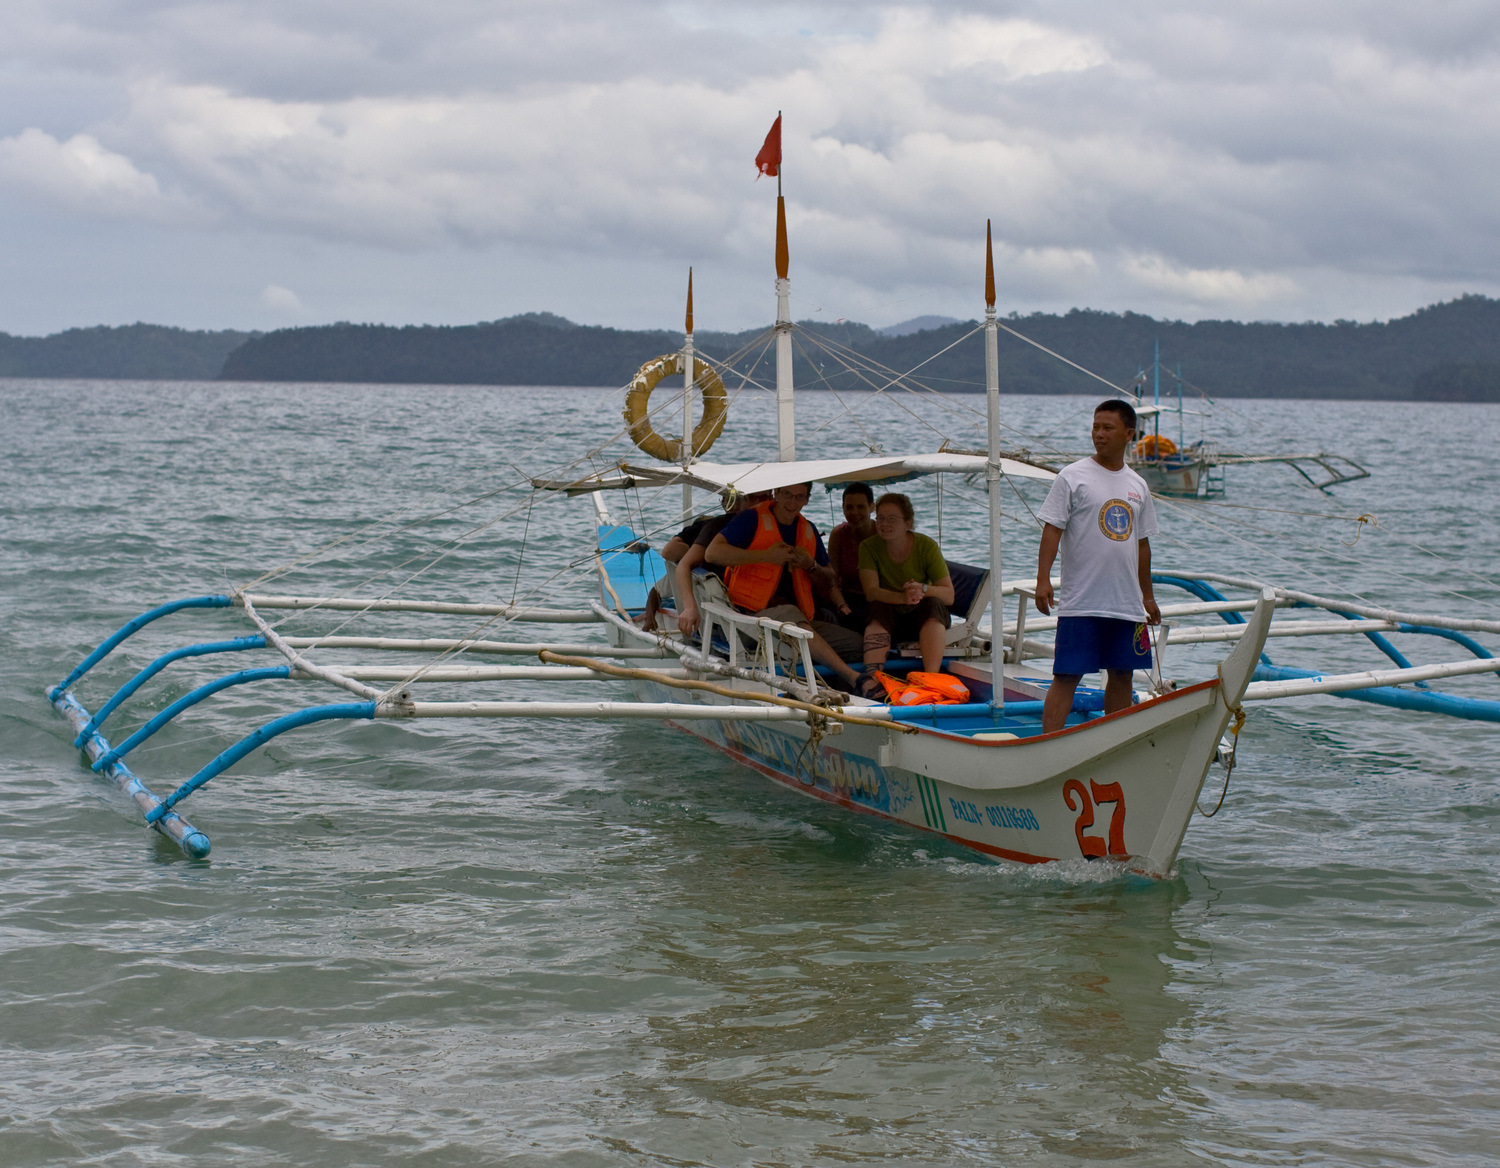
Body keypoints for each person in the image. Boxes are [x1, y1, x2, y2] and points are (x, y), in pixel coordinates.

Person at [1034, 398, 1162, 733]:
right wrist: (1043, 579)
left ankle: (1112, 739)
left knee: (1122, 673)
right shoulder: (1072, 477)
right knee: (1067, 674)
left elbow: (1142, 545)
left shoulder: (1138, 486)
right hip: (1082, 601)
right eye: (1095, 427)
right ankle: (1048, 743)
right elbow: (1052, 530)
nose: (1099, 434)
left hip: (1127, 604)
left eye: (1108, 428)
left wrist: (1147, 598)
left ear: (1129, 434)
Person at [704, 482, 865, 689]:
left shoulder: (807, 529)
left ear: (807, 499)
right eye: (787, 494)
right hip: (750, 620)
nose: (792, 502)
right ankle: (853, 677)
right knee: (790, 614)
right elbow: (713, 553)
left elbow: (829, 580)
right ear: (776, 494)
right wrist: (766, 556)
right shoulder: (751, 519)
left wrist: (810, 565)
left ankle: (839, 690)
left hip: (800, 621)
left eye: (799, 497)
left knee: (857, 644)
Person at [858, 492, 955, 692]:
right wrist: (902, 597)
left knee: (934, 605)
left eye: (892, 519)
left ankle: (930, 679)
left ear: (908, 523)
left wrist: (922, 589)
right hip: (889, 616)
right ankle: (872, 680)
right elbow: (871, 592)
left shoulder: (926, 546)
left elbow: (948, 595)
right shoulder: (868, 547)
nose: (884, 524)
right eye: (881, 518)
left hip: (919, 616)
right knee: (877, 607)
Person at [670, 490, 770, 636]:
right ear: (740, 502)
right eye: (750, 498)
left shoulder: (780, 526)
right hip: (732, 609)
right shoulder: (719, 526)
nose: (759, 503)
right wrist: (690, 607)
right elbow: (682, 564)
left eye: (764, 498)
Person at [826, 482, 875, 632]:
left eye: (861, 507)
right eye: (849, 507)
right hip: (846, 598)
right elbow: (832, 578)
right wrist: (841, 605)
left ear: (872, 507)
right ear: (843, 508)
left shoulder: (882, 534)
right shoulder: (839, 534)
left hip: (876, 600)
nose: (854, 512)